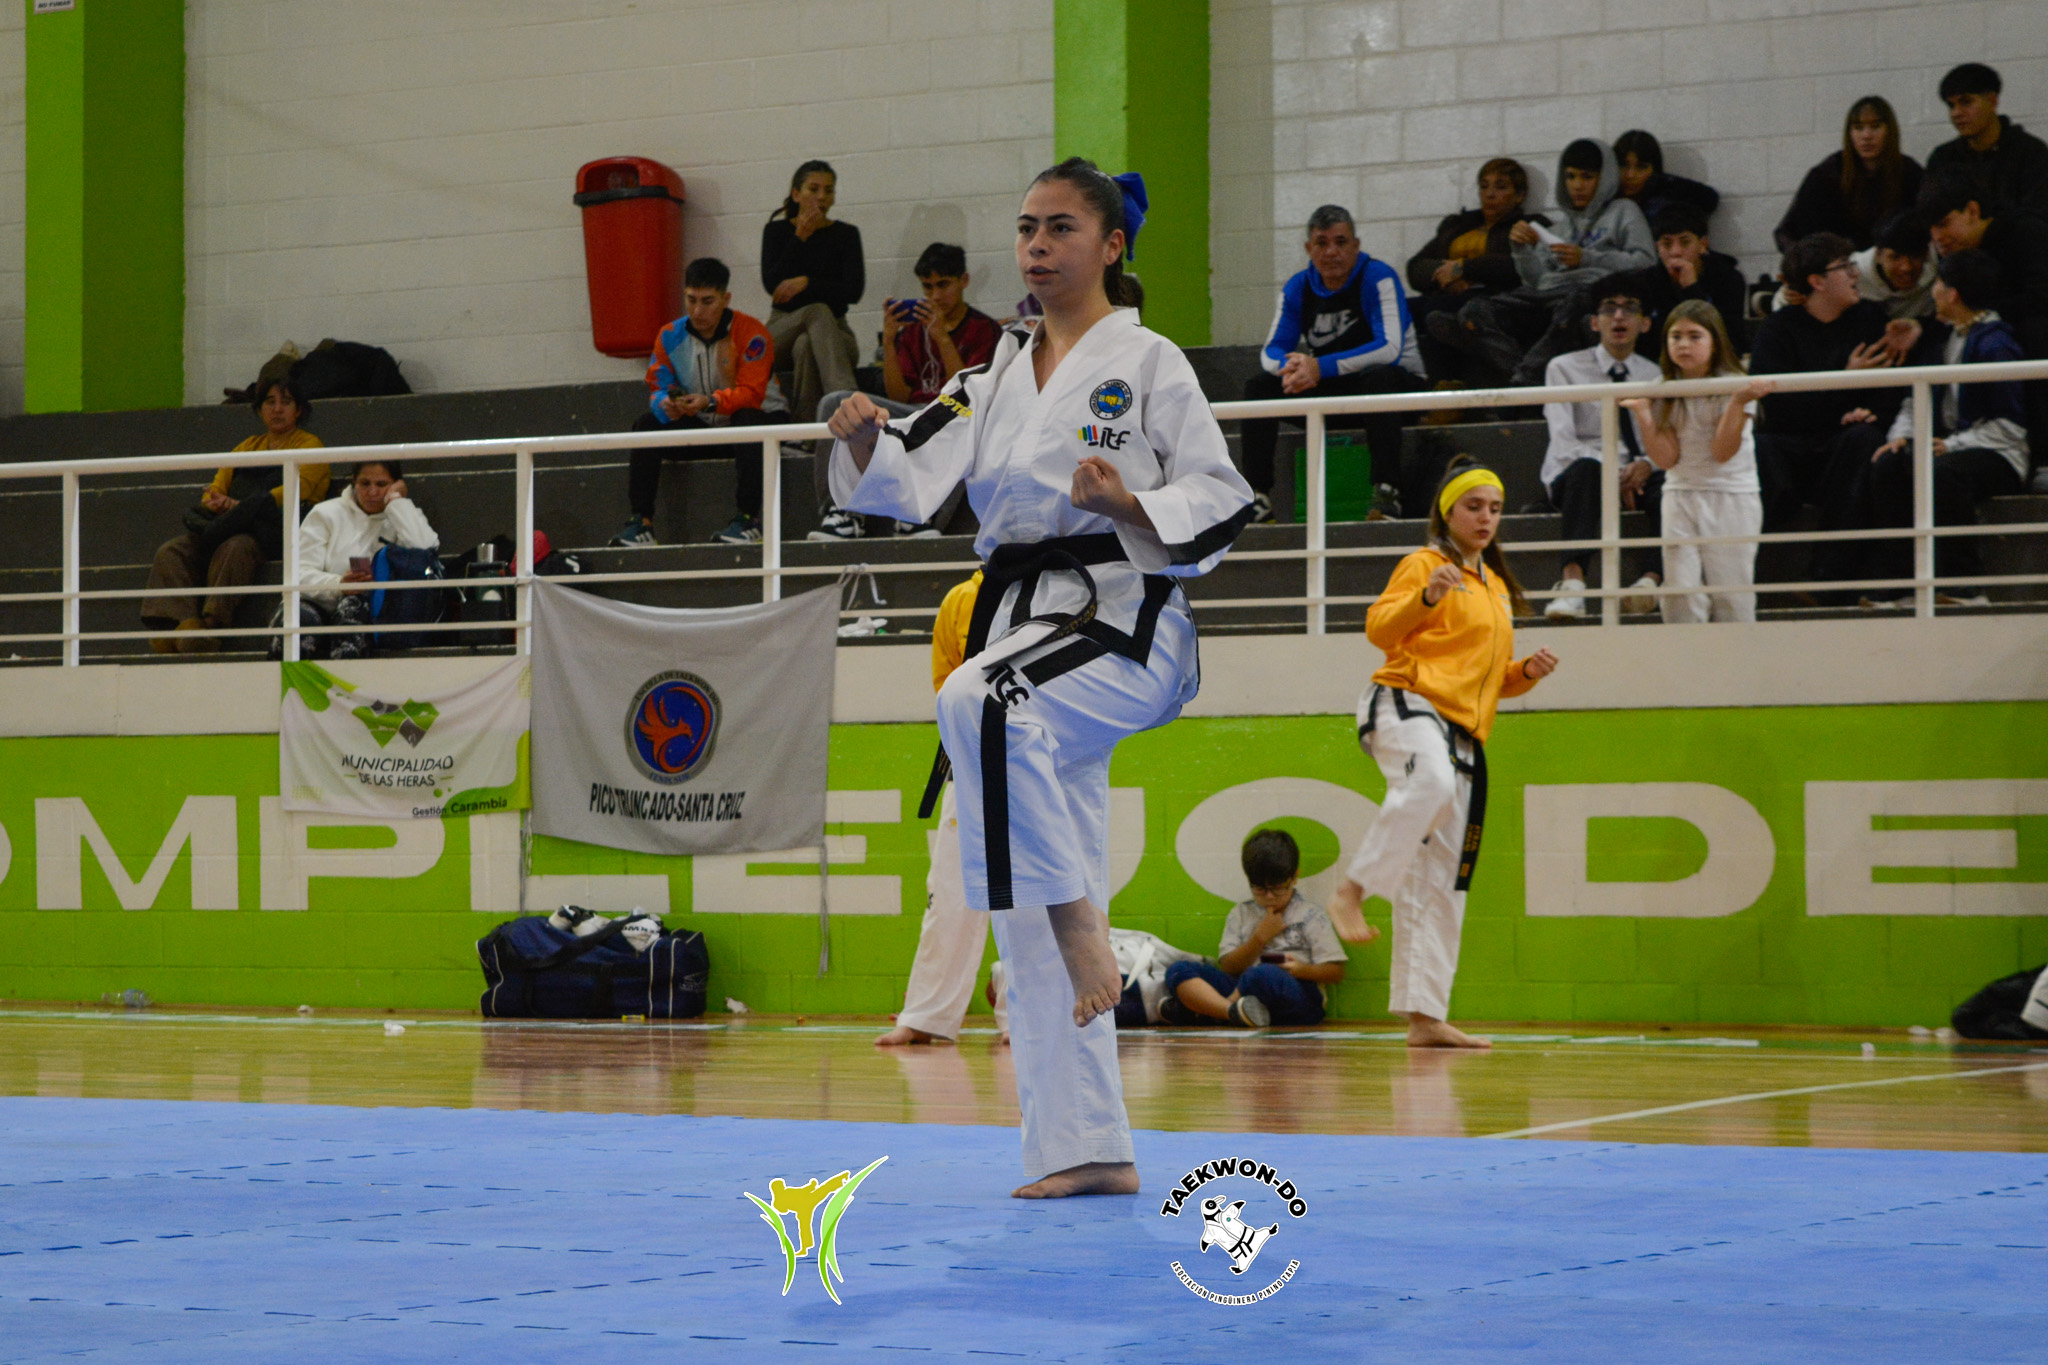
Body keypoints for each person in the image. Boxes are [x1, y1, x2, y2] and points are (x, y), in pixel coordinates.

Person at [826, 158, 1253, 1198]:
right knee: (1015, 872)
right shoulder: (992, 376)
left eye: (1060, 227)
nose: (1036, 245)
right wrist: (863, 436)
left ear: (1110, 245)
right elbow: (906, 465)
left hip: (1123, 618)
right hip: (1023, 619)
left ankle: (1082, 926)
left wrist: (1128, 506)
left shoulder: (1148, 361)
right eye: (1025, 227)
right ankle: (1084, 1147)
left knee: (980, 699)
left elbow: (1220, 493)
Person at [1326, 457, 1558, 1049]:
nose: (1486, 518)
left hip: (1464, 733)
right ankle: (1351, 891)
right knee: (1428, 780)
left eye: (1495, 509)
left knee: (1443, 877)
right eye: (1474, 507)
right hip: (1407, 702)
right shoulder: (1425, 564)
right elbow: (1380, 629)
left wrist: (1524, 674)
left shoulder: (1496, 587)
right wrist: (1427, 596)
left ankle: (1424, 1017)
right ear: (1448, 512)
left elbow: (1484, 678)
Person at [1854, 250, 2028, 601]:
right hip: (1945, 444)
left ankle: (1965, 584)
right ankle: (1900, 583)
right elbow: (1913, 398)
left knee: (1944, 473)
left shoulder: (1996, 345)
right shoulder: (1940, 336)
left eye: (1937, 283)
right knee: (1888, 464)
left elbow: (2010, 427)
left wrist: (1951, 445)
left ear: (1952, 294)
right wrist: (1901, 437)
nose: (1932, 291)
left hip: (1998, 452)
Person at [875, 571, 1001, 1047]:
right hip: (970, 762)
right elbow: (947, 690)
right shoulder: (961, 600)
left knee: (1037, 896)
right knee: (948, 893)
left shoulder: (1056, 589)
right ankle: (927, 1015)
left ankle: (1030, 1018)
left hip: (1045, 761)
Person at [1239, 204, 1426, 523]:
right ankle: (1256, 498)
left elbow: (1390, 348)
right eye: (1322, 243)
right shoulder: (1298, 286)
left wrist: (1319, 367)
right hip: (1336, 391)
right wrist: (1292, 369)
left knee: (1379, 377)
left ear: (1356, 245)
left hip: (1397, 391)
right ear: (1308, 249)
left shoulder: (1378, 277)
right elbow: (1272, 350)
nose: (1331, 252)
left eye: (1340, 242)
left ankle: (1387, 492)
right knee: (1259, 387)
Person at [1429, 139, 1655, 388]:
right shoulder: (1559, 228)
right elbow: (1535, 280)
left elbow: (1645, 261)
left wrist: (1586, 257)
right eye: (1570, 177)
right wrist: (1520, 249)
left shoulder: (1624, 211)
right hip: (1543, 295)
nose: (1577, 185)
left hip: (1587, 291)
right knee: (1475, 309)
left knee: (1575, 302)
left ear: (1605, 178)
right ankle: (1521, 375)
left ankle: (1519, 370)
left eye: (1587, 177)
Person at [813, 244, 1001, 541]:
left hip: (956, 415)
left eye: (943, 285)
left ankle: (923, 514)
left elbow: (970, 393)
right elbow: (899, 397)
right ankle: (842, 510)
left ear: (963, 281)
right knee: (835, 403)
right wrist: (890, 341)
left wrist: (942, 338)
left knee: (966, 417)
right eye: (927, 287)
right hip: (913, 414)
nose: (935, 295)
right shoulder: (913, 332)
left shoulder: (985, 329)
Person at [140, 378, 328, 653]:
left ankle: (212, 626)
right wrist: (216, 503)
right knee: (173, 550)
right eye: (270, 402)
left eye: (286, 402)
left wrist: (240, 506)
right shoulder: (246, 447)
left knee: (236, 548)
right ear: (260, 409)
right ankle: (184, 626)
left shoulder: (311, 446)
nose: (277, 409)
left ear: (298, 410)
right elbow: (215, 489)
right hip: (230, 523)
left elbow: (295, 491)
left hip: (272, 531)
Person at [609, 258, 786, 548]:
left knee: (747, 418)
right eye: (691, 300)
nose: (697, 311)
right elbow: (657, 387)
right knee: (646, 425)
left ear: (726, 299)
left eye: (707, 301)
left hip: (759, 426)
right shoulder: (669, 335)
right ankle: (641, 524)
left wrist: (711, 403)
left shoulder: (752, 333)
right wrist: (667, 404)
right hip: (706, 427)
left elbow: (752, 394)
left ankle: (748, 520)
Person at [1748, 233, 1916, 536]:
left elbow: (1889, 391)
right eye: (1844, 267)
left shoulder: (1869, 318)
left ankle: (1834, 557)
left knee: (1864, 437)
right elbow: (1779, 409)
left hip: (1843, 447)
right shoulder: (1777, 329)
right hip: (1794, 447)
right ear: (1817, 281)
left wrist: (1868, 414)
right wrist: (1845, 382)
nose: (1855, 274)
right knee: (1760, 447)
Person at [1621, 302, 1772, 624]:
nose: (1683, 344)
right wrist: (1644, 414)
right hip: (1680, 493)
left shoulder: (1735, 383)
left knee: (1731, 593)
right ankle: (1685, 653)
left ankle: (1735, 654)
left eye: (1694, 336)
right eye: (1675, 336)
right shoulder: (1662, 387)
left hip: (1731, 495)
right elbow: (1666, 458)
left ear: (1714, 341)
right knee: (1679, 592)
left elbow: (1722, 451)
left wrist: (1738, 403)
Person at [1536, 276, 1663, 619]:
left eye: (1629, 309)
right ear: (1594, 322)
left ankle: (1650, 583)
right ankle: (1573, 586)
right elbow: (1564, 441)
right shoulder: (1563, 368)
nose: (1619, 317)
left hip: (1635, 475)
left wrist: (1645, 465)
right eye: (1609, 309)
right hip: (1579, 472)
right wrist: (1614, 473)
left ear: (1645, 323)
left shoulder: (1655, 375)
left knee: (1671, 485)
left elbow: (1661, 438)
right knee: (1588, 471)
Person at [1158, 828, 1349, 1029]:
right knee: (1179, 969)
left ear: (1294, 877)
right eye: (1260, 889)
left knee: (1263, 974)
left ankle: (1209, 1012)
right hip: (1242, 989)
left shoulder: (1311, 915)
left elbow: (1336, 972)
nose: (1269, 896)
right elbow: (1229, 967)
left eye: (1277, 888)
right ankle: (1230, 1012)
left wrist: (1301, 969)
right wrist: (1259, 938)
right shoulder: (1241, 913)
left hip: (1297, 996)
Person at [1919, 175, 2048, 463]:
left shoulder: (2027, 232)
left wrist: (1982, 315)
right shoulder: (1951, 252)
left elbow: (2041, 296)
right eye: (1931, 229)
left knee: (2031, 333)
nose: (1937, 237)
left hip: (2030, 335)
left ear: (1972, 211)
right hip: (1990, 335)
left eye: (1944, 224)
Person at [1406, 159, 1550, 384]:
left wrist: (1464, 269)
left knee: (1436, 308)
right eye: (1484, 186)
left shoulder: (1528, 226)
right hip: (1447, 291)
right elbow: (1415, 266)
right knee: (1402, 310)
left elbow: (1517, 266)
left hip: (1493, 297)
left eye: (1500, 187)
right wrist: (1446, 277)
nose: (1489, 194)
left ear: (1519, 195)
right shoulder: (1458, 225)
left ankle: (1446, 384)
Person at [277, 461, 440, 659]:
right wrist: (339, 585)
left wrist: (395, 502)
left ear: (397, 484)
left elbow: (425, 548)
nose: (372, 492)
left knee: (352, 611)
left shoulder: (403, 515)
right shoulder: (324, 513)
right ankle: (284, 679)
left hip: (373, 606)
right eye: (365, 483)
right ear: (354, 482)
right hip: (317, 601)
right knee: (294, 618)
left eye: (382, 484)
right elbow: (298, 575)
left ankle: (345, 679)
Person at [761, 160, 865, 438]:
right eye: (814, 189)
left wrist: (807, 282)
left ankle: (807, 436)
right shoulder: (776, 232)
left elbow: (854, 291)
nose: (822, 197)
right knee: (816, 310)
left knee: (806, 345)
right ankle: (848, 402)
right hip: (783, 326)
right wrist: (799, 239)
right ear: (797, 194)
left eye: (828, 191)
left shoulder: (846, 234)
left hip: (836, 332)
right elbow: (772, 285)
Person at [1774, 97, 1924, 251]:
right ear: (1849, 133)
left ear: (1890, 131)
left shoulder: (1910, 173)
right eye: (1858, 128)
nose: (1866, 136)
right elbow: (1786, 233)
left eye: (1875, 126)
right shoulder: (1826, 175)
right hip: (1839, 262)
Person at [1924, 63, 2048, 221]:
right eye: (1951, 105)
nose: (1956, 113)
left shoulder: (2031, 153)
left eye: (1966, 102)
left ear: (1993, 101)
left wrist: (1984, 229)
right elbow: (1929, 213)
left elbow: (2037, 219)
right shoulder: (1943, 157)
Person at [1626, 204, 1749, 361]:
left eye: (1685, 242)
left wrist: (1692, 289)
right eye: (1667, 244)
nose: (1675, 252)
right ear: (1657, 248)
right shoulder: (1643, 282)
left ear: (1703, 245)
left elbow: (1729, 337)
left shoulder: (1728, 278)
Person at [1614, 129, 1721, 224]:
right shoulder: (1606, 200)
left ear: (1654, 170)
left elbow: (1709, 199)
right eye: (1623, 165)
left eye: (1641, 167)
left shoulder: (1662, 202)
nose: (1630, 175)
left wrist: (1662, 181)